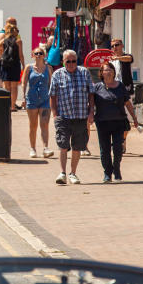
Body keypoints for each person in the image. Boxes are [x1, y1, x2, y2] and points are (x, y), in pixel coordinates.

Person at [49, 50, 94, 185]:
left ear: (77, 60)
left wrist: (91, 112)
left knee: (77, 147)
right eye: (68, 61)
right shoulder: (57, 74)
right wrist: (55, 114)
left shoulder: (84, 72)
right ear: (63, 61)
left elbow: (91, 94)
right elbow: (52, 95)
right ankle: (62, 173)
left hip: (81, 116)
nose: (71, 64)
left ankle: (73, 173)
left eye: (73, 61)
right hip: (63, 116)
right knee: (63, 145)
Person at [93, 61, 140, 183]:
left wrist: (134, 118)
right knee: (105, 149)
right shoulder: (97, 87)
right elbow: (91, 103)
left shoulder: (120, 86)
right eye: (105, 70)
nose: (108, 72)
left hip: (119, 122)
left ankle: (117, 169)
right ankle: (107, 173)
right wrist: (89, 115)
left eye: (110, 69)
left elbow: (127, 103)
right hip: (102, 122)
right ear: (101, 73)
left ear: (114, 72)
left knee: (118, 148)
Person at [21, 47, 53, 158]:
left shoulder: (48, 68)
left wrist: (52, 99)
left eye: (40, 53)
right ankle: (33, 148)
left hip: (45, 100)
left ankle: (46, 148)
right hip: (32, 99)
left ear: (44, 55)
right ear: (33, 55)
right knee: (33, 125)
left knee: (45, 124)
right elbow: (24, 83)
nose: (38, 55)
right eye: (36, 53)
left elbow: (51, 84)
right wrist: (24, 97)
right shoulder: (28, 68)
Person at [110, 38, 135, 152]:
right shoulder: (111, 61)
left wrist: (118, 58)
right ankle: (117, 140)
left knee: (127, 119)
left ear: (122, 45)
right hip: (114, 93)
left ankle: (123, 140)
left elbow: (129, 59)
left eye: (117, 45)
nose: (115, 47)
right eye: (113, 46)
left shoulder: (126, 57)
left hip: (127, 92)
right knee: (115, 118)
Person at [0, 24, 24, 111]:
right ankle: (13, 106)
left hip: (5, 64)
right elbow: (21, 55)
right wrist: (24, 65)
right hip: (15, 65)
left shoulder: (4, 40)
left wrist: (0, 57)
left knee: (6, 87)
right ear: (15, 32)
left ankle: (6, 106)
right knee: (14, 87)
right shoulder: (18, 41)